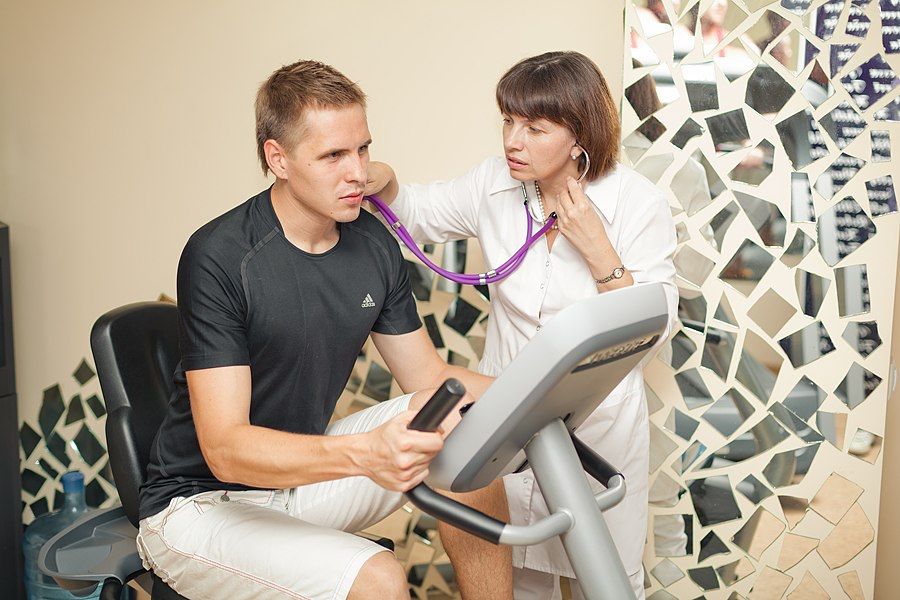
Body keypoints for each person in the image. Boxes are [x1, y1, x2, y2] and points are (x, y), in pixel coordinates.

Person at [135, 59, 503, 600]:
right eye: (333, 156)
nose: (357, 173)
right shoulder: (221, 255)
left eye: (362, 150)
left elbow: (430, 379)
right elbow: (225, 449)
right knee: (379, 578)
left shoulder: (372, 245)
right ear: (277, 159)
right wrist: (366, 453)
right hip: (200, 504)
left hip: (295, 485)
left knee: (466, 429)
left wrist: (540, 395)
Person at [366, 51, 679, 599]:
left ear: (579, 136)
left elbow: (653, 331)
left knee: (602, 579)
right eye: (508, 121)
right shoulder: (494, 183)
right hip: (505, 427)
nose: (513, 140)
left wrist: (598, 249)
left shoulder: (637, 204)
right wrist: (387, 184)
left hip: (594, 430)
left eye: (535, 128)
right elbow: (415, 212)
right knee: (518, 579)